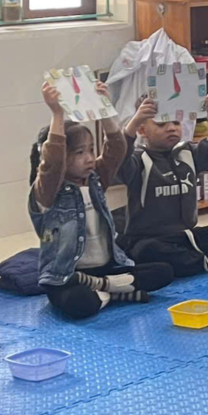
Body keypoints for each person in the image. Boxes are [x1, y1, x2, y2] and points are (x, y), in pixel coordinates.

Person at [30, 78, 173, 319]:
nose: (89, 158)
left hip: (107, 268)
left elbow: (116, 148)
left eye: (90, 150)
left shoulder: (95, 179)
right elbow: (52, 161)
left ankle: (104, 289)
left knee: (164, 271)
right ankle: (115, 291)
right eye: (79, 153)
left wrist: (104, 108)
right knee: (78, 303)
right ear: (63, 157)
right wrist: (57, 113)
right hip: (68, 275)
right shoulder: (48, 191)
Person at [115, 90, 208, 276]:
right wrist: (134, 122)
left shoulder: (188, 153)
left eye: (176, 122)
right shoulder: (137, 161)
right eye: (161, 124)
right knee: (144, 251)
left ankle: (187, 258)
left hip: (186, 236)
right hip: (149, 240)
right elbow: (118, 158)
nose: (171, 128)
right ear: (142, 130)